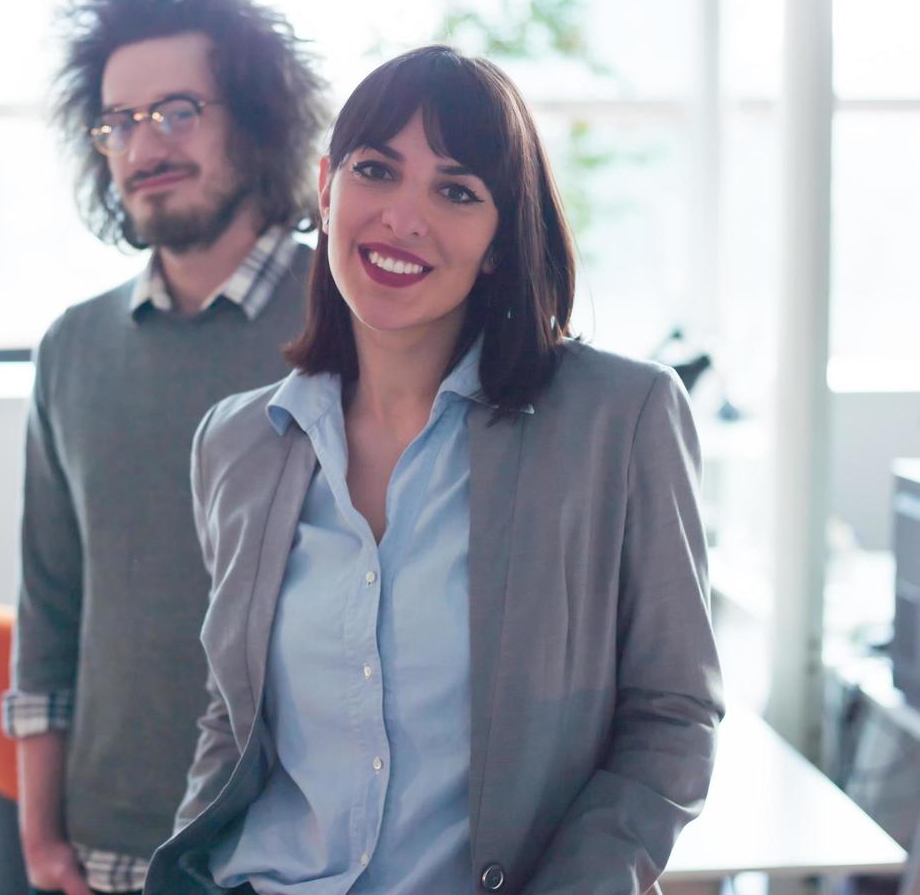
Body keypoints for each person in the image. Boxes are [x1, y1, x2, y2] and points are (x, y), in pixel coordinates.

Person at [145, 46, 725, 895]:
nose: (402, 218)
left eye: (455, 191)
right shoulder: (239, 443)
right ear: (326, 188)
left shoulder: (618, 417)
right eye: (376, 171)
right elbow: (232, 723)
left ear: (498, 241)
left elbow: (671, 718)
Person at [3, 0, 327, 895]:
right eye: (118, 122)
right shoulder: (72, 347)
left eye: (177, 111)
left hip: (310, 842)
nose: (144, 144)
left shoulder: (356, 321)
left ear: (256, 118)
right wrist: (39, 835)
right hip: (111, 841)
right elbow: (48, 604)